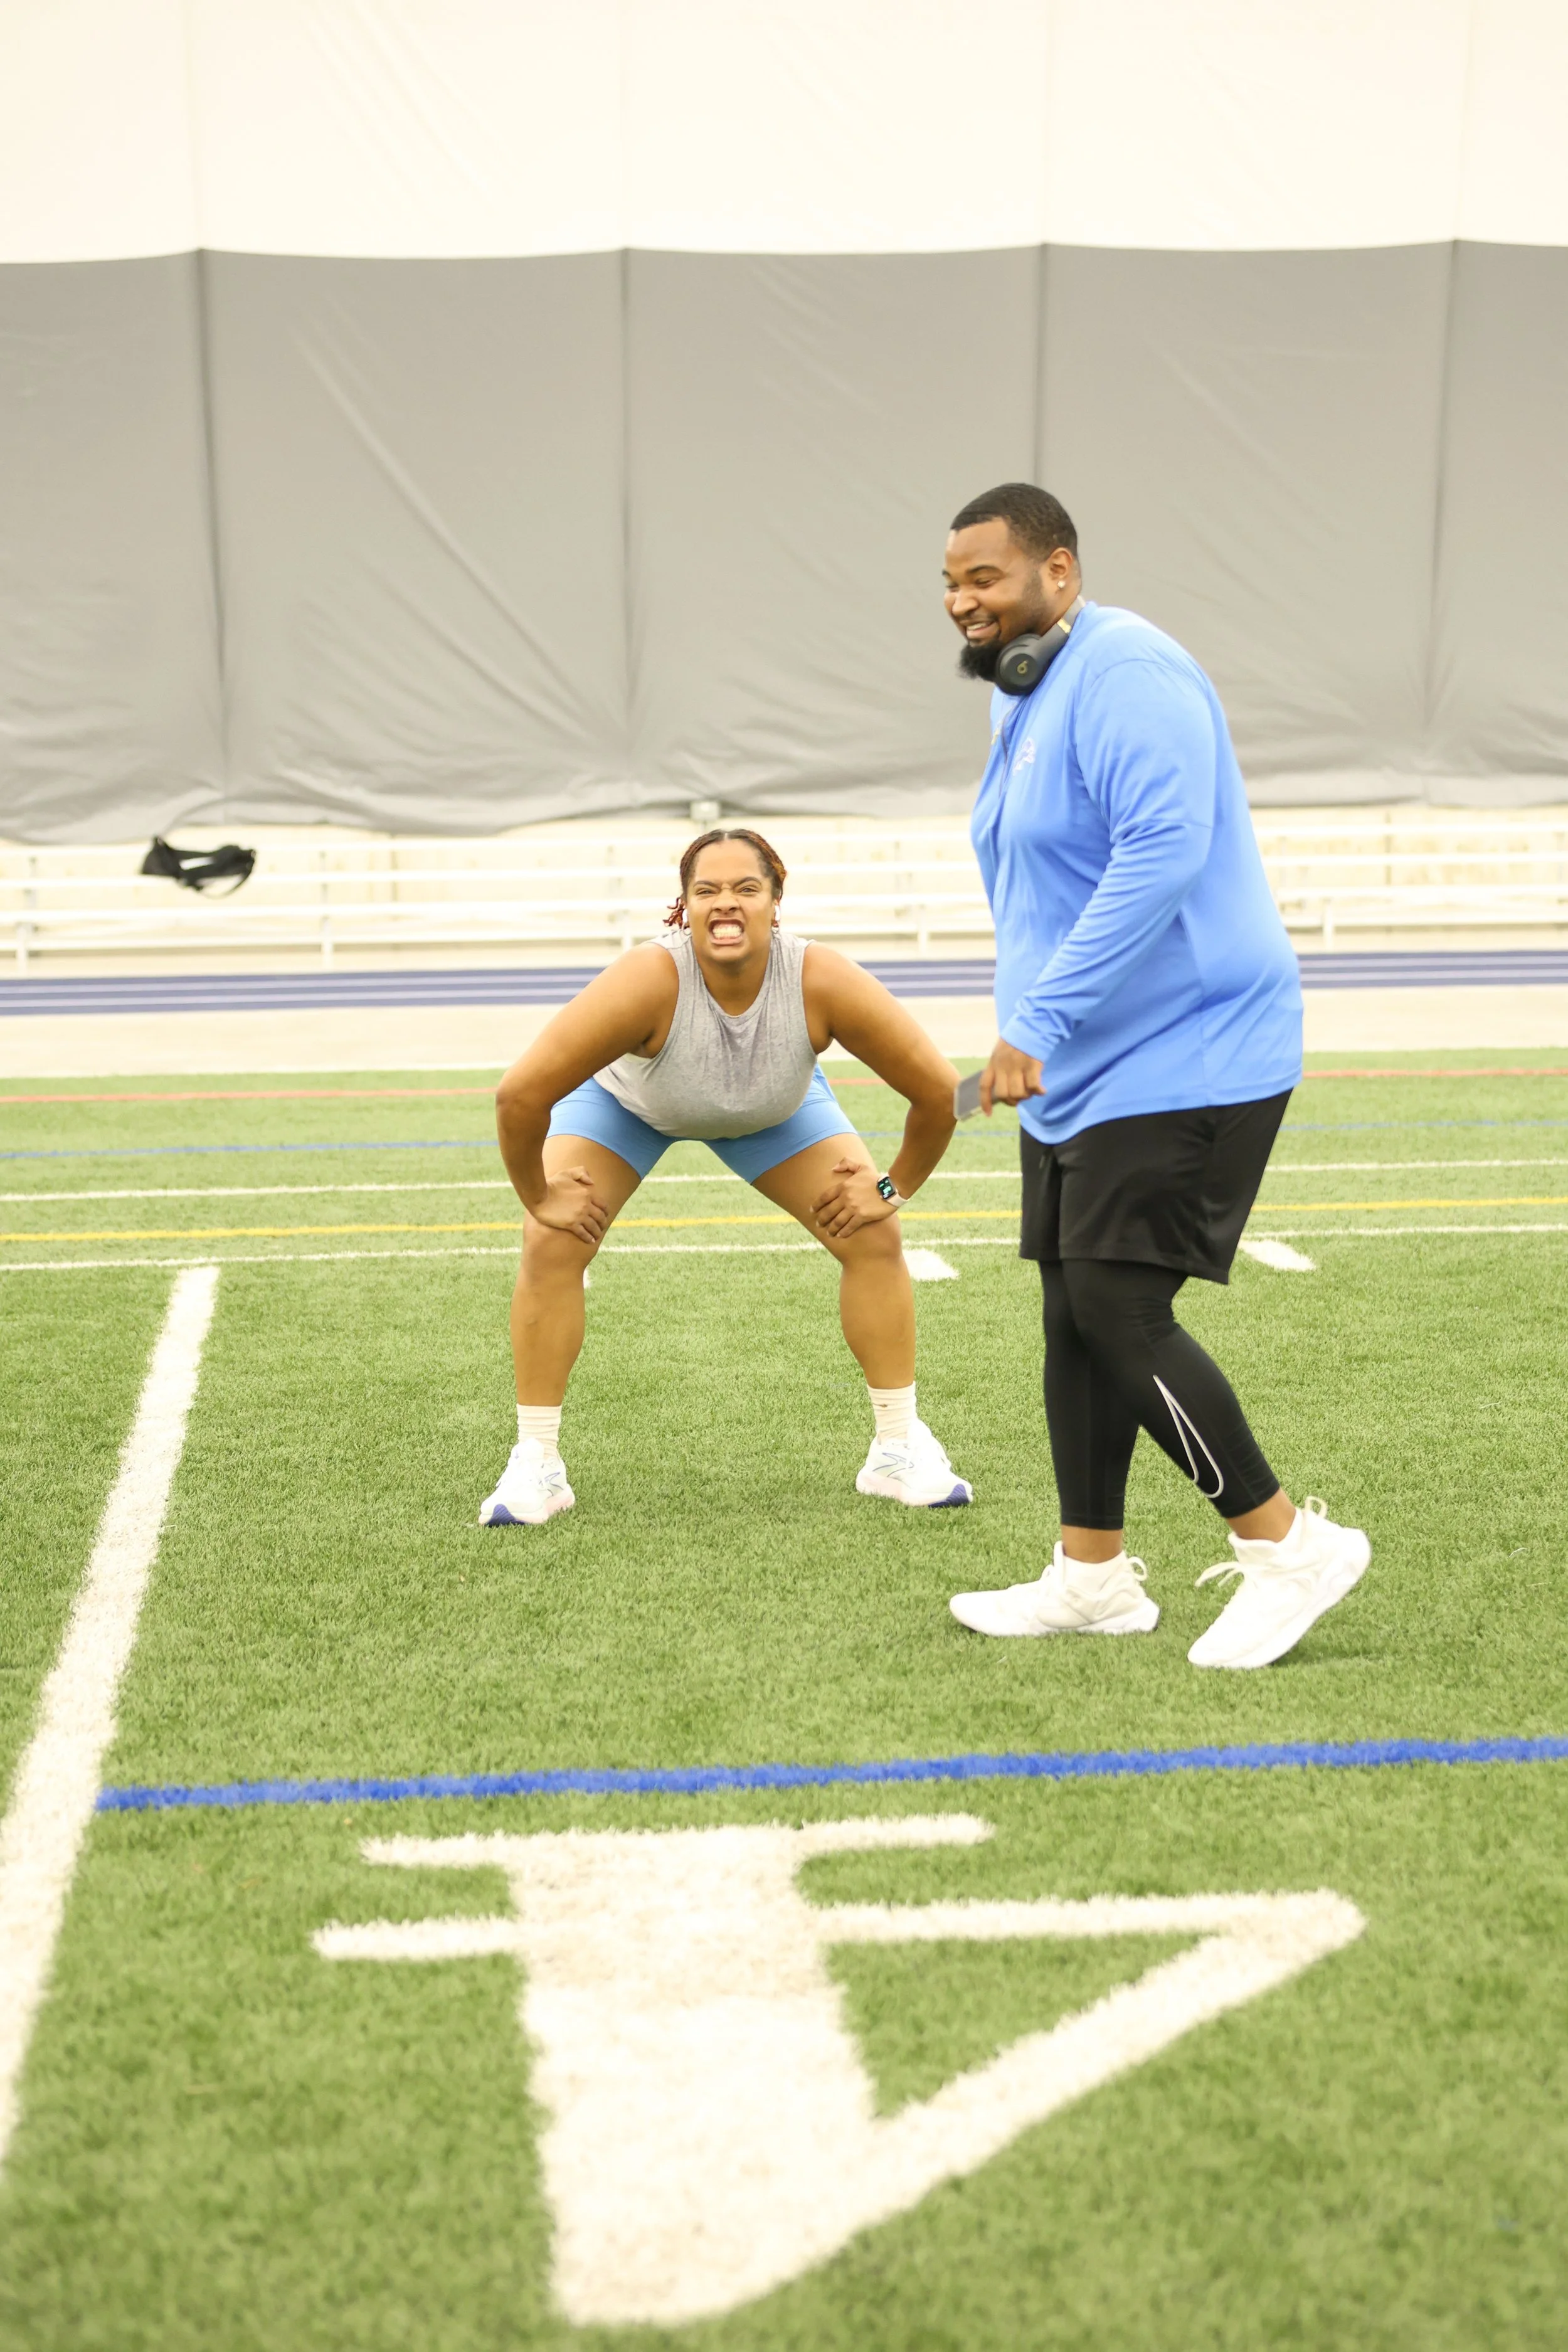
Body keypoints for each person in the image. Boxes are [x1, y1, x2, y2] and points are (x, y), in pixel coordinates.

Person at [940, 483, 1369, 1671]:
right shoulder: (1028, 688)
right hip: (1082, 1061)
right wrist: (1036, 1028)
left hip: (1191, 1051)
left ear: (1060, 572)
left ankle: (1289, 1547)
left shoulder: (1131, 675)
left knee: (1123, 1311)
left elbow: (1162, 854)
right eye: (951, 583)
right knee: (1073, 1317)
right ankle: (1091, 1578)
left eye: (986, 578)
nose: (963, 601)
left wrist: (1041, 1017)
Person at [482, 826, 972, 1524]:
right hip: (634, 1106)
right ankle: (537, 1462)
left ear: (777, 900)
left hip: (773, 1109)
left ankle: (897, 1447)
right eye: (706, 890)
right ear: (683, 907)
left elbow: (940, 1093)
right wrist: (538, 1197)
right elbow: (519, 1095)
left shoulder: (818, 978)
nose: (726, 904)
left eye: (746, 888)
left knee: (872, 1233)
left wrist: (891, 1187)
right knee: (550, 1242)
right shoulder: (650, 979)